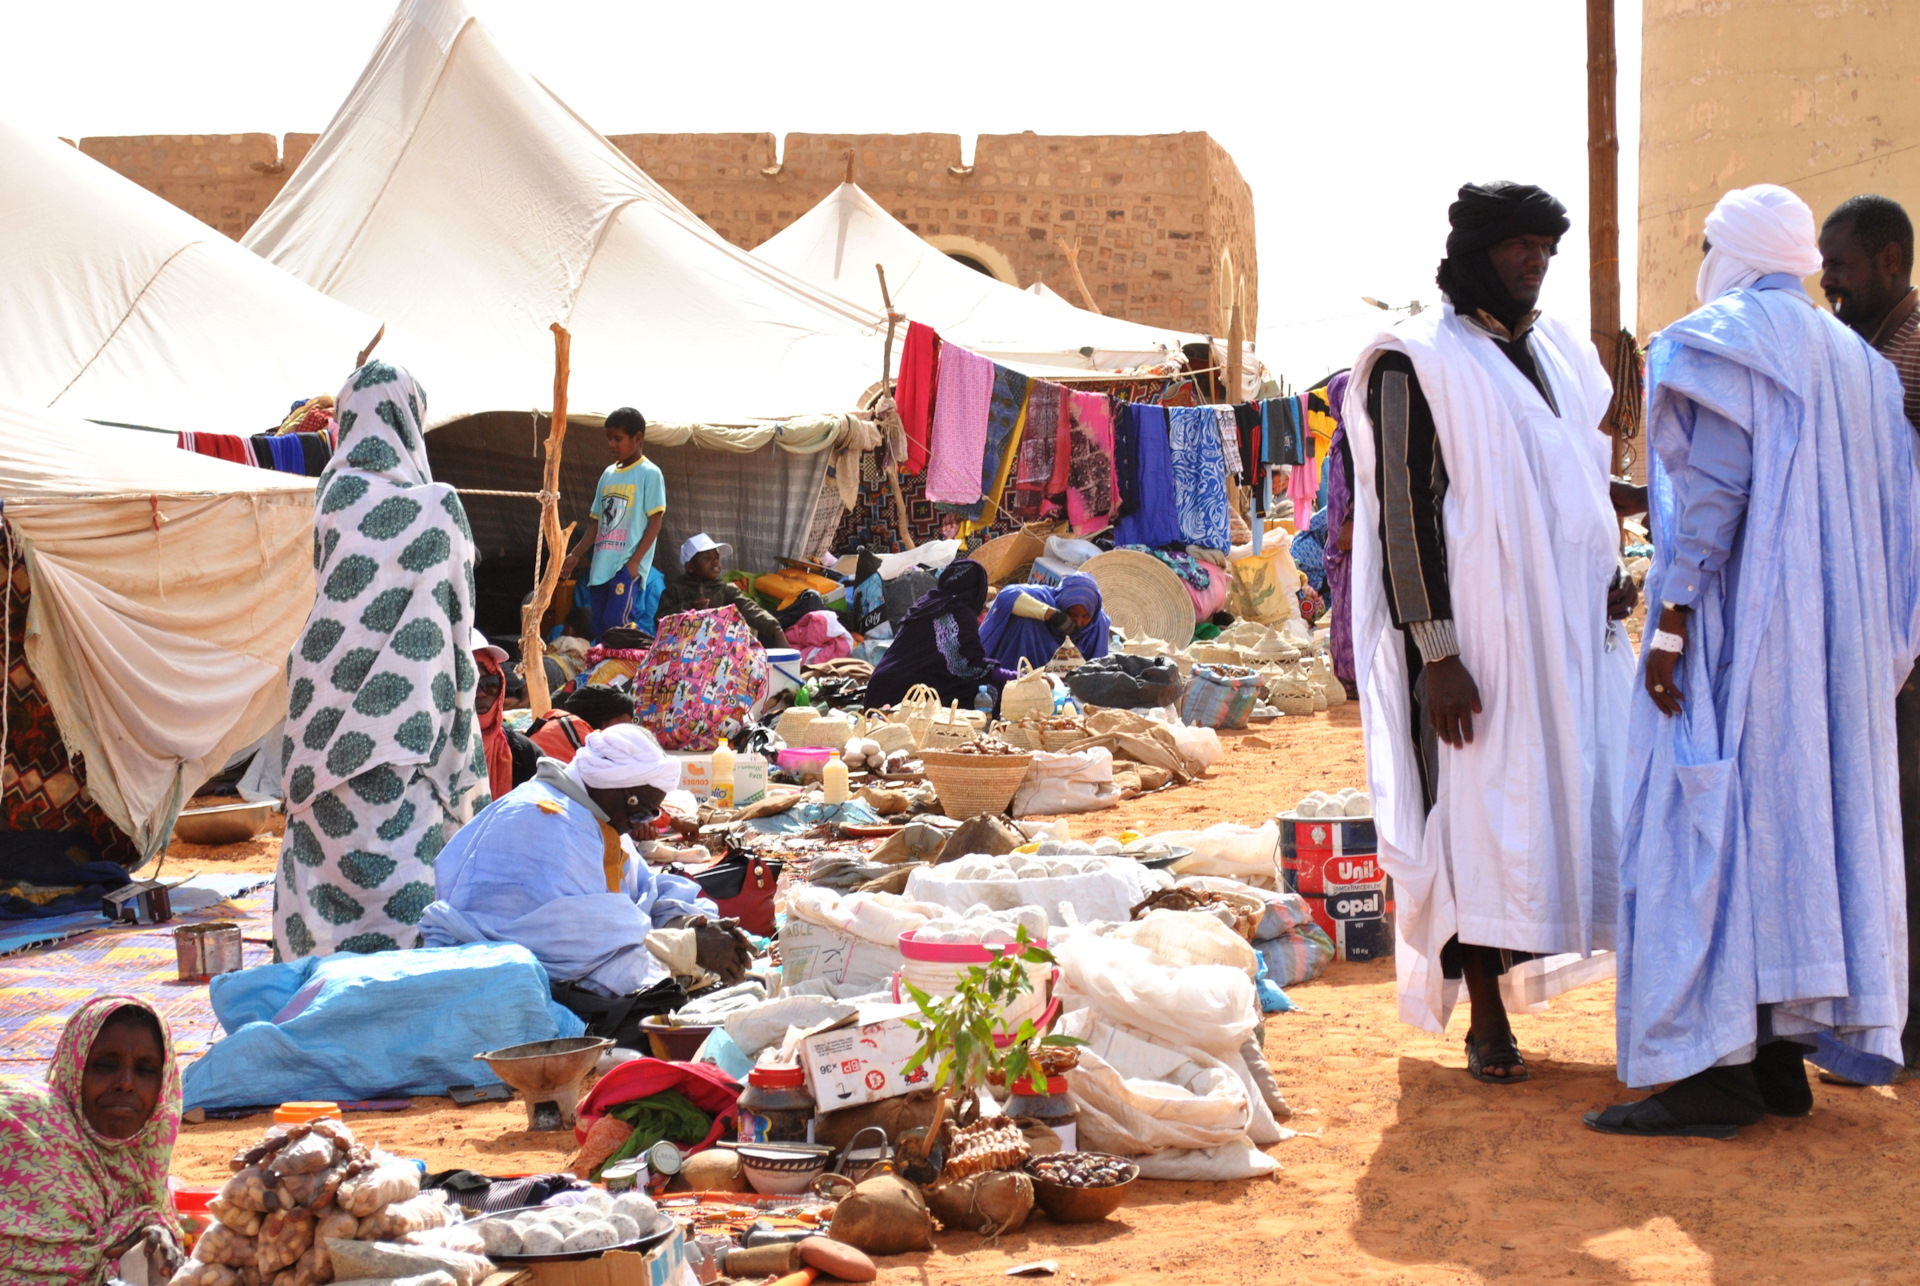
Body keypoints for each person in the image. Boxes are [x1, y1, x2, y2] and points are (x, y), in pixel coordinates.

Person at [1589, 185, 1920, 1138]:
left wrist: (1672, 623)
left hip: (1743, 637)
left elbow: (1715, 496)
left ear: (1731, 252)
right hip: (1834, 652)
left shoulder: (1721, 340)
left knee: (1708, 829)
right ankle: (1776, 1060)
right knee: (1793, 835)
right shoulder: (1860, 365)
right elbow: (1901, 522)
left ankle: (1714, 1073)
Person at [1345, 181, 1635, 1084]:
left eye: (1545, 248)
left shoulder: (1560, 351)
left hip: (1569, 634)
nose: (1534, 262)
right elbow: (1403, 515)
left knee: (1570, 802)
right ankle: (1486, 1020)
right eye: (1517, 246)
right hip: (1472, 642)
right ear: (1474, 252)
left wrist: (1607, 566)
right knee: (1473, 813)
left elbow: (1577, 473)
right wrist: (1438, 653)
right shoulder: (1415, 361)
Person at [276, 362, 489, 960]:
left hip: (321, 713)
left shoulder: (332, 495)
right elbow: (457, 624)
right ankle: (404, 987)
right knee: (407, 866)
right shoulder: (440, 505)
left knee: (322, 859)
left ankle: (314, 980)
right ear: (410, 419)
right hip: (408, 721)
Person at [418, 724, 754, 1000]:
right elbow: (576, 949)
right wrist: (687, 948)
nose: (641, 823)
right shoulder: (544, 821)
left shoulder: (597, 815)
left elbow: (645, 889)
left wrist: (687, 922)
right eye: (641, 811)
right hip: (499, 988)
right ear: (617, 790)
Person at [1820, 193, 1920, 1085]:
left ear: (1890, 259)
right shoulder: (1866, 353)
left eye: (1842, 265)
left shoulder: (1910, 354)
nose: (1830, 282)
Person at [0, 997, 184, 1284]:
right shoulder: (30, 1130)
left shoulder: (144, 1179)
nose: (126, 1083)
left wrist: (147, 1228)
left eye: (146, 1070)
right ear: (74, 1069)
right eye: (105, 1065)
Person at [560, 407, 666, 641]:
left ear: (638, 438)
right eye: (609, 438)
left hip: (625, 567)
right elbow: (596, 524)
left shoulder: (650, 473)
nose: (611, 444)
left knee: (617, 627)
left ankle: (622, 667)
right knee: (599, 629)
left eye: (618, 439)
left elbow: (655, 523)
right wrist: (575, 554)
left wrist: (634, 563)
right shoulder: (607, 475)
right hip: (600, 568)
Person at [863, 560, 1015, 709]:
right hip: (902, 698)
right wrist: (1012, 676)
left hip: (877, 691)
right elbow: (969, 666)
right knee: (990, 691)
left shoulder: (925, 604)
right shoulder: (960, 612)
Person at [655, 534, 788, 648]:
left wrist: (775, 630)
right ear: (690, 567)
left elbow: (749, 609)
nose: (715, 562)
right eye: (707, 558)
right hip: (681, 653)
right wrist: (690, 606)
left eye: (717, 557)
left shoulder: (725, 590)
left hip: (718, 655)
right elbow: (660, 621)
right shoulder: (675, 590)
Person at [978, 573, 1112, 672]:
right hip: (1022, 667)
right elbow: (1006, 596)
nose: (1079, 621)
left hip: (1068, 685)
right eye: (1073, 615)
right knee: (1024, 622)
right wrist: (1051, 614)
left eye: (1086, 617)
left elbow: (1099, 670)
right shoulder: (1046, 598)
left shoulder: (1099, 624)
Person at [527, 685, 637, 763]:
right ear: (603, 721)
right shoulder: (574, 730)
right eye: (623, 725)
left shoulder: (558, 721)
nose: (625, 732)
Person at [473, 632, 514, 805]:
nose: (481, 694)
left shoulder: (522, 754)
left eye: (490, 684)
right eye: (470, 683)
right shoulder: (427, 756)